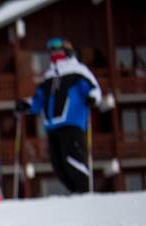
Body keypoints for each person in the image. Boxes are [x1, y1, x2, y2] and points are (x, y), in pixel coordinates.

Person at [16, 38, 107, 194]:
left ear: (68, 52)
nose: (55, 54)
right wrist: (27, 104)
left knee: (72, 158)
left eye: (59, 51)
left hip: (72, 122)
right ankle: (74, 192)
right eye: (52, 51)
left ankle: (83, 191)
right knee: (58, 163)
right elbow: (39, 100)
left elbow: (94, 89)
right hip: (52, 126)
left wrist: (93, 97)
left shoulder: (78, 72)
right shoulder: (48, 77)